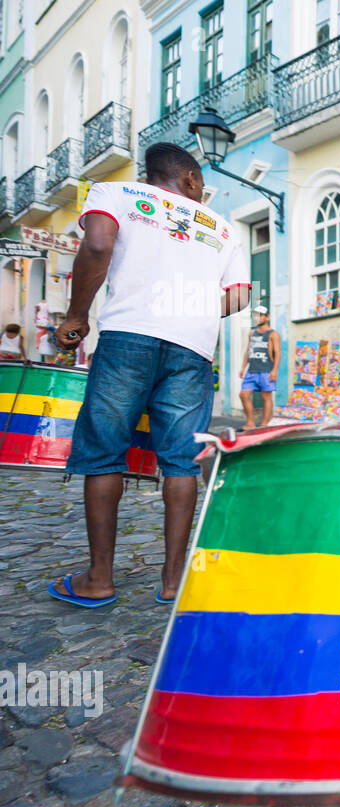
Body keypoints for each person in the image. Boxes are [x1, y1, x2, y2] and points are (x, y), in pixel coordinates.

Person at [50, 142, 250, 607]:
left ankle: (99, 578)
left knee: (104, 453)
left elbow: (97, 244)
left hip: (128, 336)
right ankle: (174, 580)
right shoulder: (219, 226)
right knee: (181, 460)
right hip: (192, 348)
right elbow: (239, 296)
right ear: (191, 180)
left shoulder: (113, 193)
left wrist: (77, 316)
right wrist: (194, 312)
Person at [238, 306, 280, 429]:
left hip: (266, 370)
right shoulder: (252, 333)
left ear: (267, 317)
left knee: (266, 397)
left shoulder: (273, 334)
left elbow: (278, 353)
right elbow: (248, 350)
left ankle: (264, 424)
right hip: (252, 370)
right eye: (256, 315)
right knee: (243, 394)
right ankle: (250, 423)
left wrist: (275, 370)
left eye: (261, 315)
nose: (257, 317)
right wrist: (243, 367)